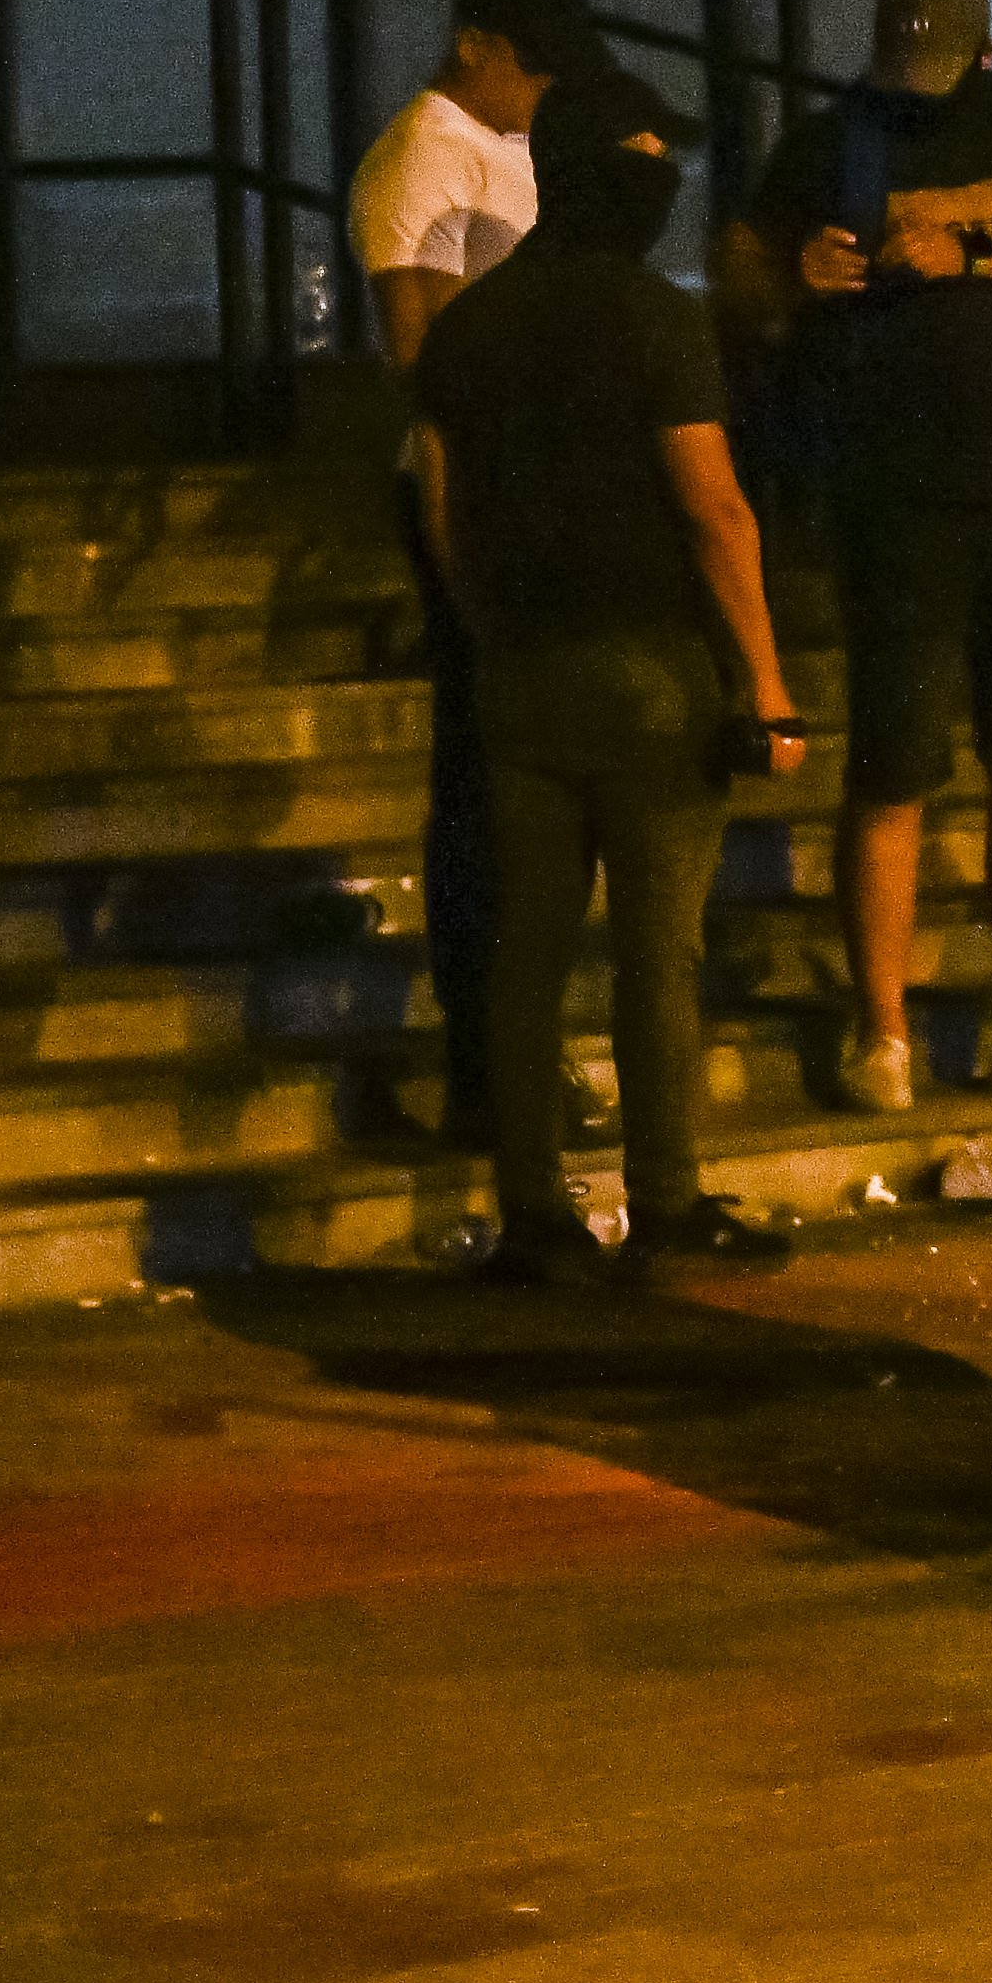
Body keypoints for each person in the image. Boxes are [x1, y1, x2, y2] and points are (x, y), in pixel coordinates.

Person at [407, 62, 809, 1282]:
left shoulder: (469, 327)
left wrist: (487, 629)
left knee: (527, 955)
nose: (665, 177)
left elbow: (441, 504)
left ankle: (532, 1211)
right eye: (648, 156)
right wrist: (767, 684)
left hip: (520, 673)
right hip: (651, 670)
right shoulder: (656, 319)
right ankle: (666, 1199)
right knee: (657, 954)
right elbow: (713, 508)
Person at [724, 0, 992, 1111]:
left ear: (986, 54)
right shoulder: (832, 140)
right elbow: (740, 278)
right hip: (896, 503)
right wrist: (795, 276)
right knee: (893, 767)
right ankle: (885, 1036)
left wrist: (980, 254)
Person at [350, 0, 601, 1162]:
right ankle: (488, 1061)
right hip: (476, 490)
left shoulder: (495, 147)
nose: (540, 93)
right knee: (486, 785)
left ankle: (511, 1053)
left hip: (529, 489)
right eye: (528, 69)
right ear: (474, 45)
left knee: (516, 781)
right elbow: (420, 350)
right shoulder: (427, 153)